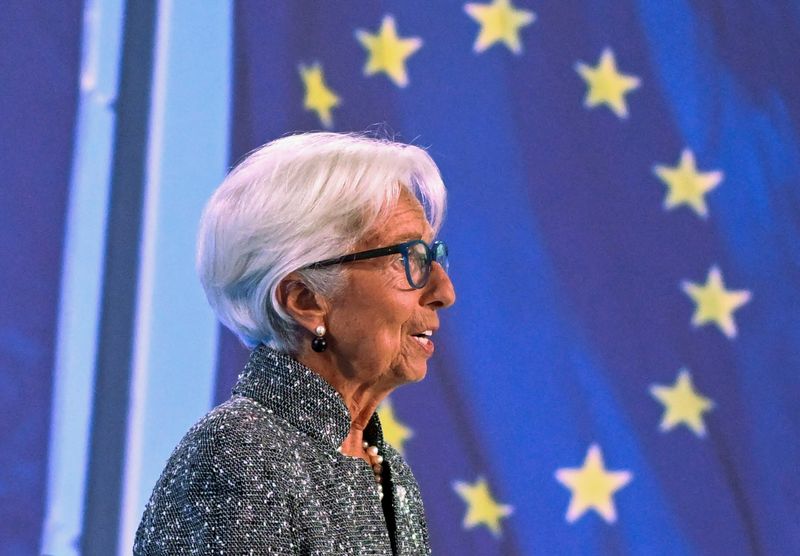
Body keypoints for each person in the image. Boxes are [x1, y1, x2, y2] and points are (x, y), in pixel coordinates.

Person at [133, 132, 456, 555]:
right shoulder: (240, 454)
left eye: (433, 257)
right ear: (304, 300)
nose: (444, 291)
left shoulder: (385, 468)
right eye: (408, 260)